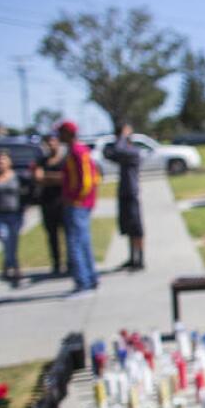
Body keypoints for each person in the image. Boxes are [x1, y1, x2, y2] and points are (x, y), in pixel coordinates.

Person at [58, 120, 100, 296]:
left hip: (78, 205)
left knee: (75, 243)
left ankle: (83, 282)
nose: (58, 136)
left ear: (68, 134)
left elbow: (89, 180)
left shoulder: (77, 151)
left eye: (60, 133)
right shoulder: (75, 151)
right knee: (83, 242)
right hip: (79, 204)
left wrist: (76, 199)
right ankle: (90, 278)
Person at [104, 122, 145, 270]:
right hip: (124, 193)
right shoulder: (123, 154)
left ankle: (140, 259)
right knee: (128, 227)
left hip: (132, 193)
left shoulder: (133, 152)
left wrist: (123, 135)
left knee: (136, 228)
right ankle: (132, 258)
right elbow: (108, 153)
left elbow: (118, 149)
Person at [0, 151, 24, 287]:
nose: (1, 163)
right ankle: (16, 269)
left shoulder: (17, 177)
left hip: (14, 214)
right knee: (5, 238)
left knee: (12, 242)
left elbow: (25, 193)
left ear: (10, 162)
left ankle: (7, 267)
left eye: (3, 160)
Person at [32, 133, 67, 274]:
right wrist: (55, 178)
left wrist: (48, 177)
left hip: (63, 203)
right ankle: (56, 263)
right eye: (48, 142)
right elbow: (38, 177)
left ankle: (71, 263)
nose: (51, 144)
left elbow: (65, 179)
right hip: (47, 203)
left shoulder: (65, 160)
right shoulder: (42, 160)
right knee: (52, 235)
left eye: (53, 141)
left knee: (68, 234)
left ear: (58, 142)